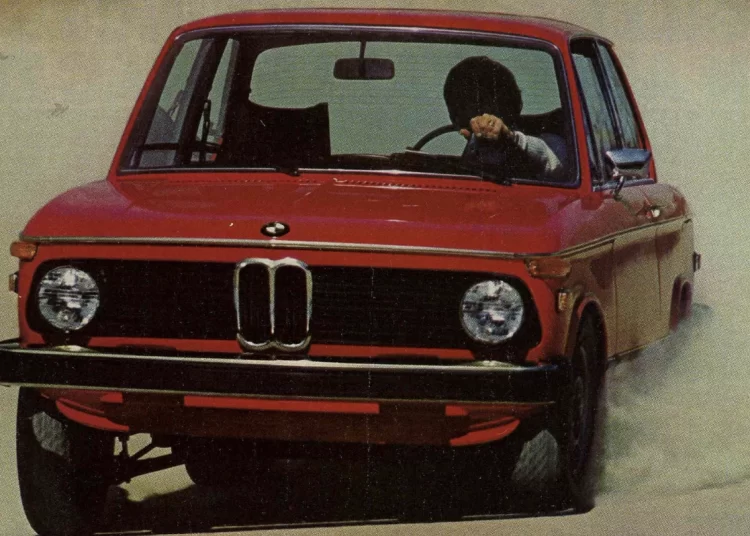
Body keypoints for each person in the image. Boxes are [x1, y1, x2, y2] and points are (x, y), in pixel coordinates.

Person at [443, 56, 566, 181]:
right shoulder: (473, 147)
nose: (460, 113)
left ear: (507, 103)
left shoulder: (547, 141)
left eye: (477, 100)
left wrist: (510, 138)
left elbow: (555, 160)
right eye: (457, 104)